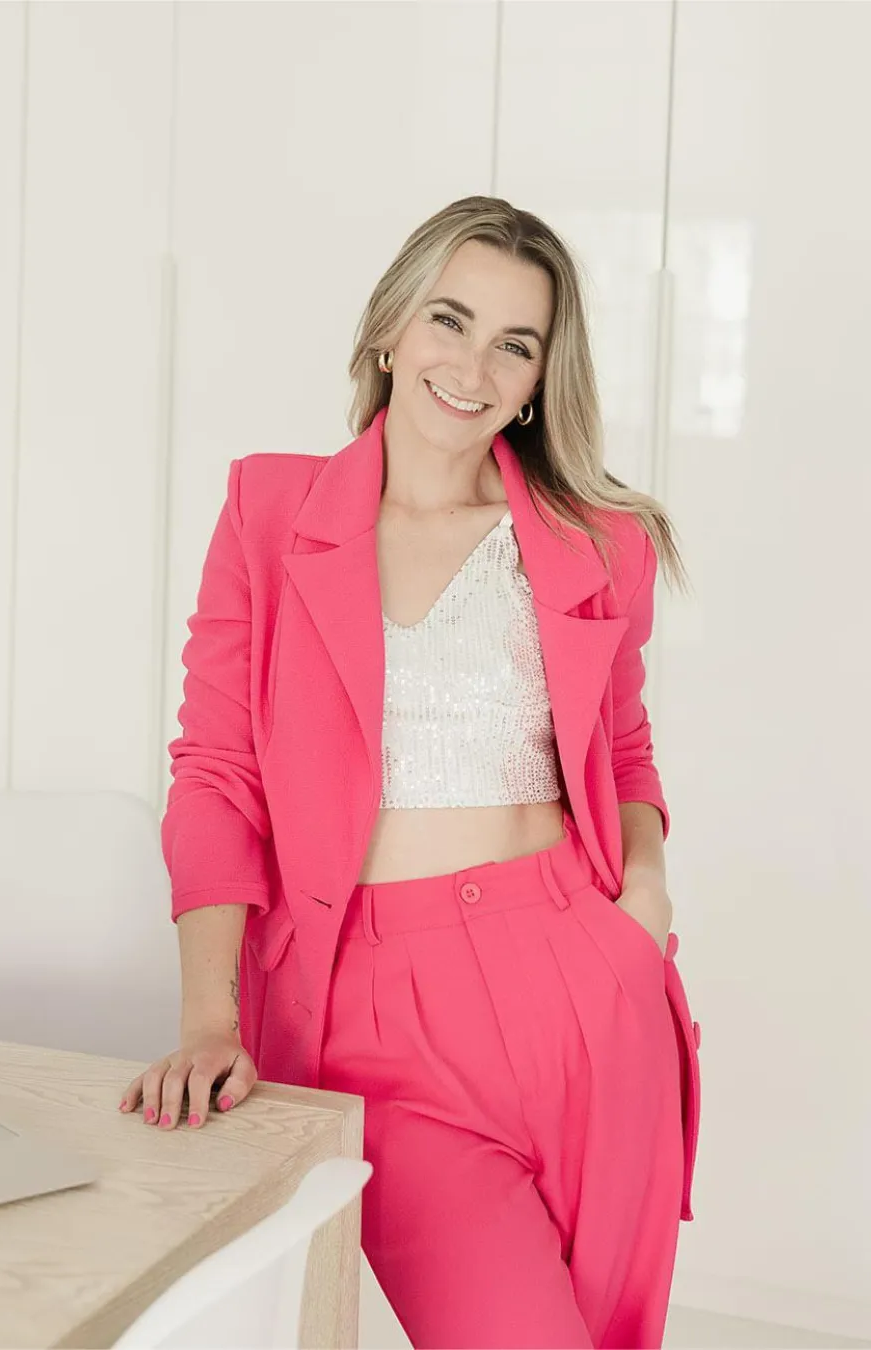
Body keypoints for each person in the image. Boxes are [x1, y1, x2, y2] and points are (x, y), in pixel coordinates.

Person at [119, 196, 703, 1349]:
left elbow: (625, 750)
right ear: (391, 327)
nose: (472, 367)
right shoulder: (270, 512)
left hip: (587, 987)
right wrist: (207, 1016)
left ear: (537, 381)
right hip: (374, 1012)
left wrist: (644, 899)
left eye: (515, 343)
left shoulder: (597, 541)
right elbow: (217, 772)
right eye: (450, 319)